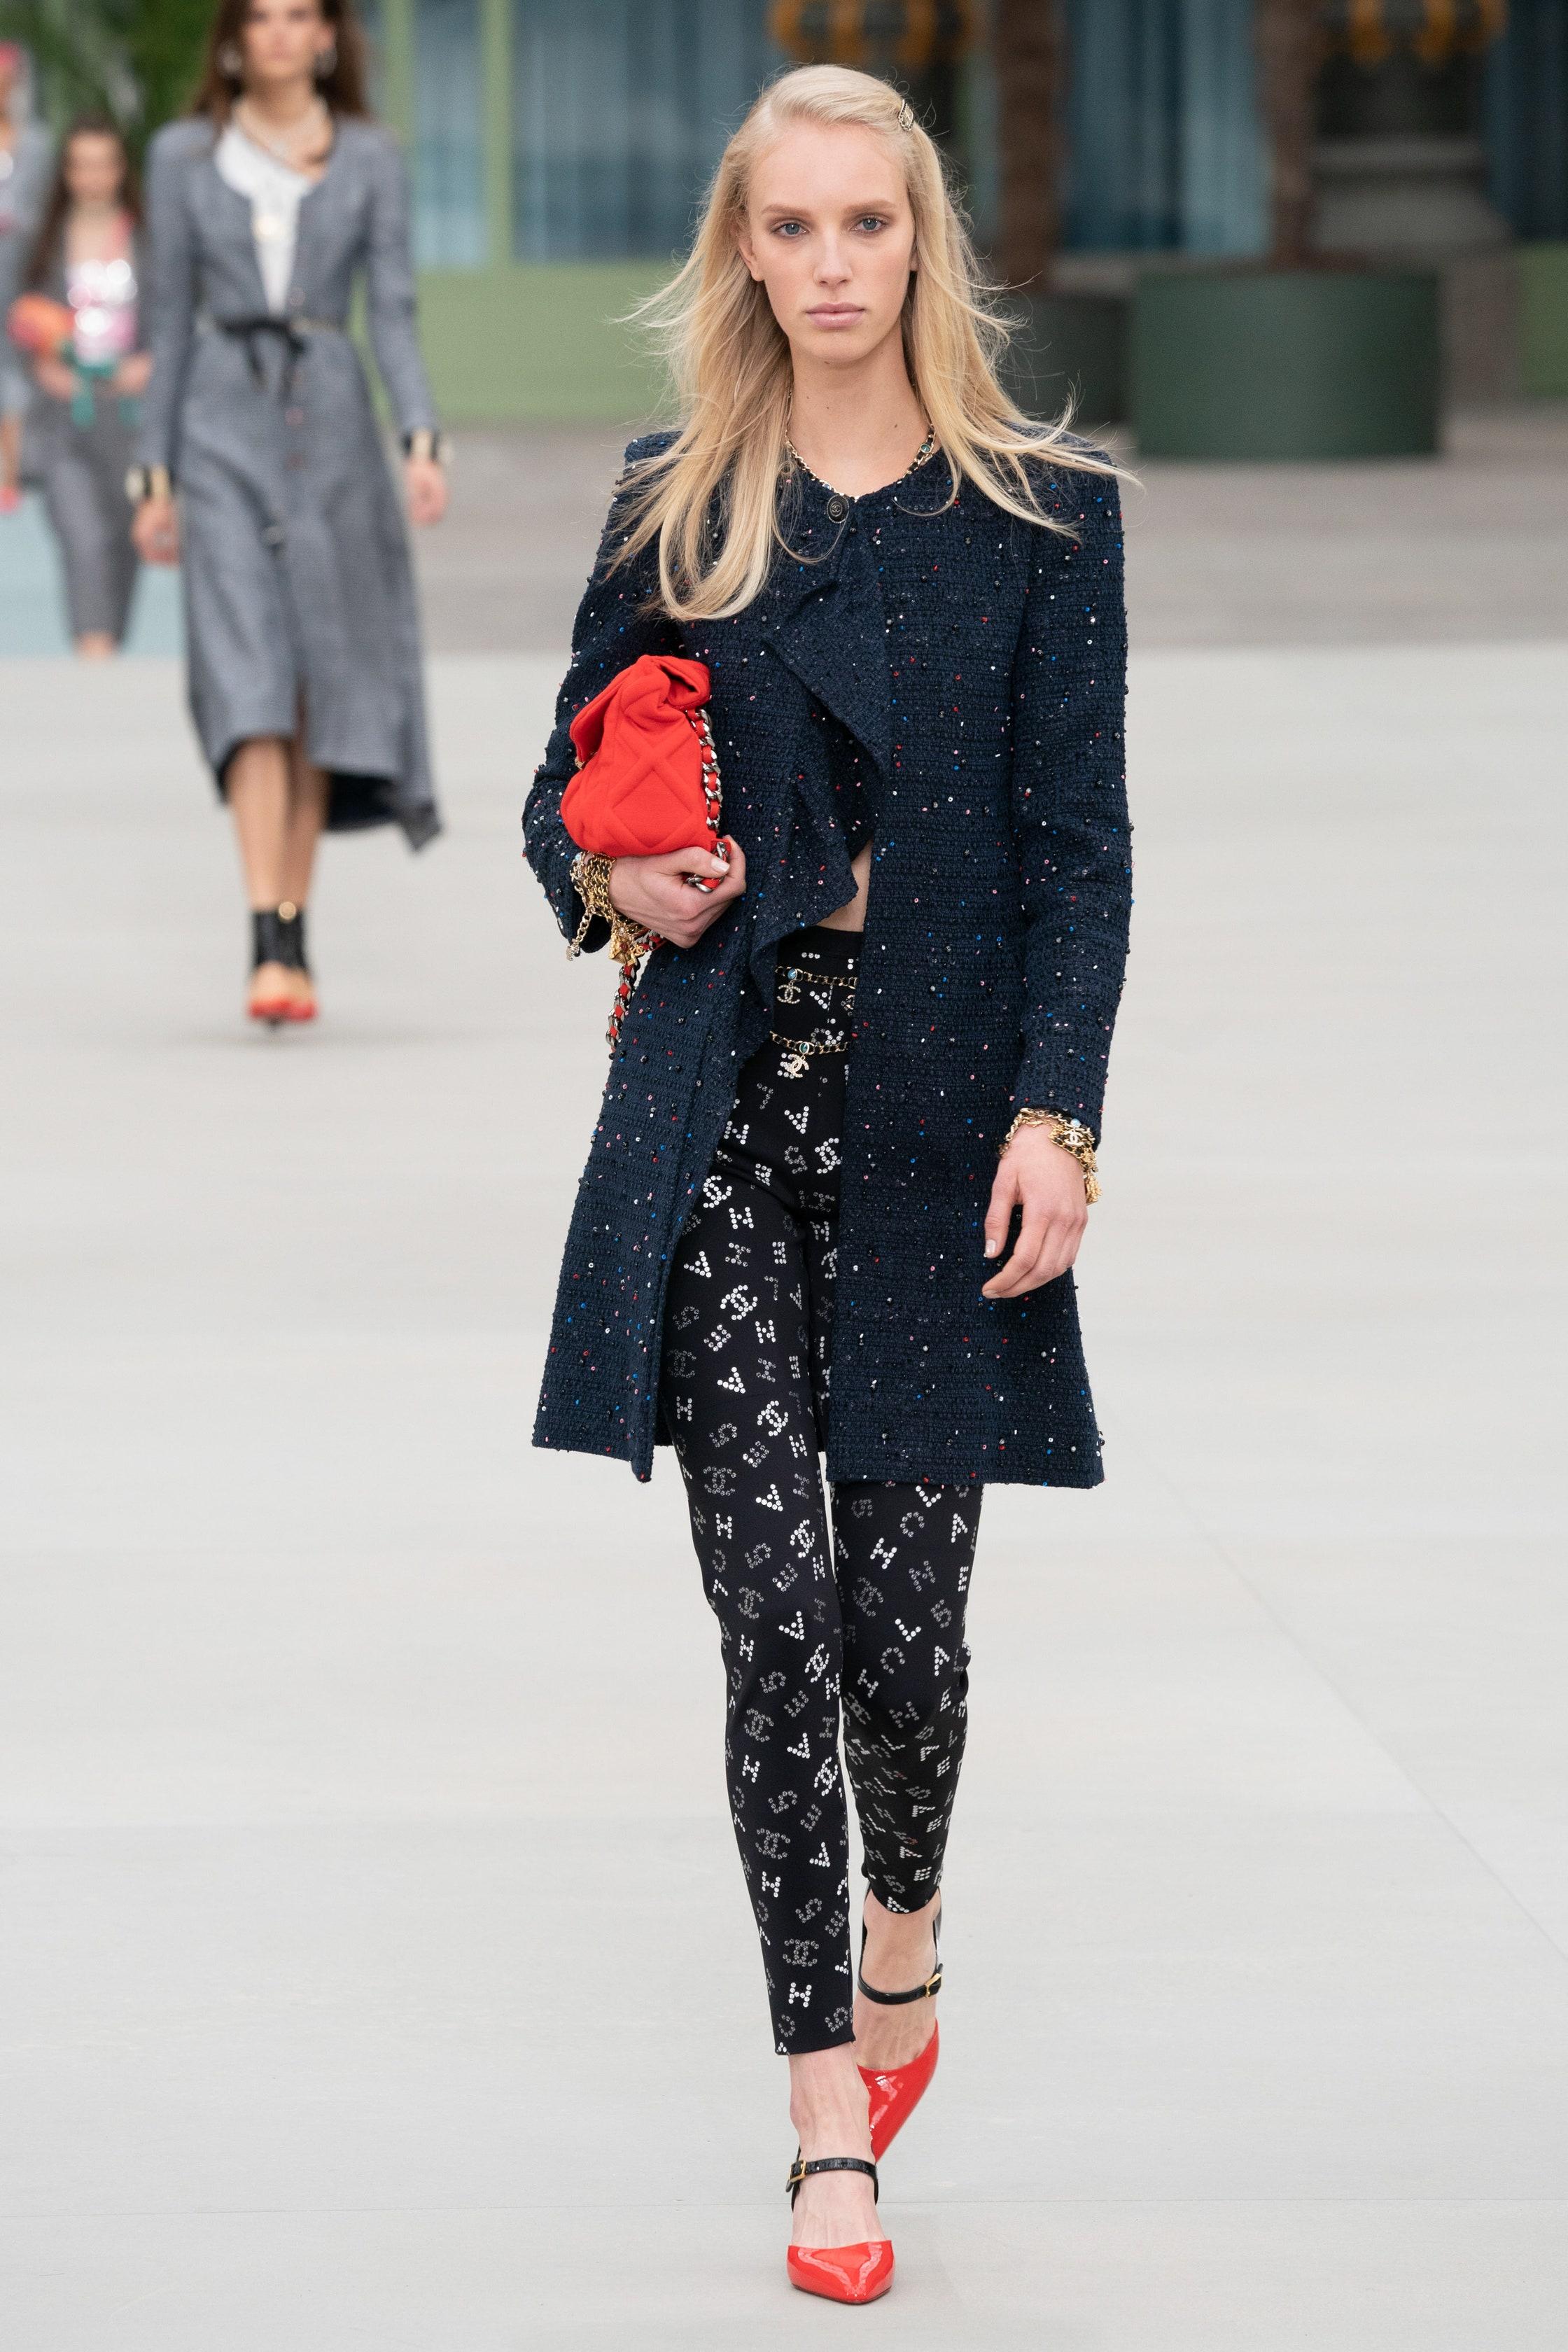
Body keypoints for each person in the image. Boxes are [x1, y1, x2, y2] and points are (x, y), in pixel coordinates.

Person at [523, 65, 1130, 2306]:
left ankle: (904, 1935)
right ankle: (814, 2118)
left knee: (904, 1636)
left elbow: (1081, 860)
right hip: (718, 1118)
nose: (831, 265)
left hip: (933, 1128)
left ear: (920, 241)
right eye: (789, 228)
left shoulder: (1041, 521)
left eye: (866, 223)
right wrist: (628, 884)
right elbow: (555, 792)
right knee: (769, 1614)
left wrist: (1054, 1119)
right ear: (741, 250)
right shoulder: (674, 502)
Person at [131, 0, 447, 1028]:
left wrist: (420, 438)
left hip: (335, 435)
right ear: (234, 35)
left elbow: (391, 307)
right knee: (247, 672)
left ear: (326, 36)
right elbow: (166, 321)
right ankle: (266, 932)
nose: (277, 31)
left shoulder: (369, 155)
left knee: (316, 677)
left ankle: (291, 927)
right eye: (259, 14)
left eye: (298, 13)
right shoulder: (183, 155)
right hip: (219, 428)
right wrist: (153, 472)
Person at [19, 118, 148, 656]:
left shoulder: (150, 240)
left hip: (132, 419)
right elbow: (18, 317)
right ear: (65, 173)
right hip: (65, 417)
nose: (93, 177)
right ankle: (93, 655)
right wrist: (39, 368)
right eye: (81, 165)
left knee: (122, 547)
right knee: (83, 541)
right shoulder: (41, 245)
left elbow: (178, 319)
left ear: (121, 170)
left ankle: (106, 648)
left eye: (104, 164)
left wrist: (153, 364)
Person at [0, 42, 53, 513]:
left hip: (18, 271)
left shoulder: (36, 144)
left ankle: (12, 472)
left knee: (16, 366)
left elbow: (47, 208)